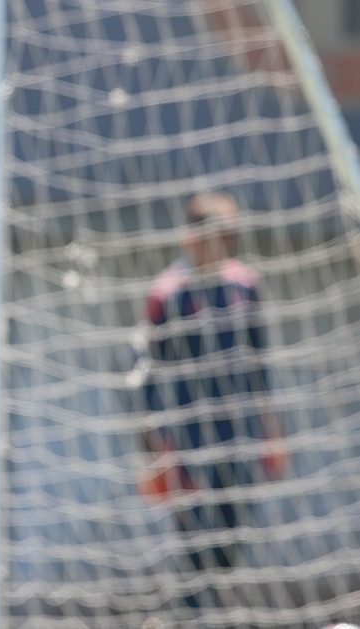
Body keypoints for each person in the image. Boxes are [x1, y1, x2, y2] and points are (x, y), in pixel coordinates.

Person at [138, 191, 287, 612]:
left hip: (238, 435)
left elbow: (260, 365)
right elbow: (147, 377)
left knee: (229, 540)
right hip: (186, 440)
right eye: (213, 235)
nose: (220, 244)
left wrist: (273, 433)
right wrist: (151, 447)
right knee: (193, 545)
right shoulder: (167, 294)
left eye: (228, 236)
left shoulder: (245, 285)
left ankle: (191, 616)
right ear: (191, 238)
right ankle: (184, 618)